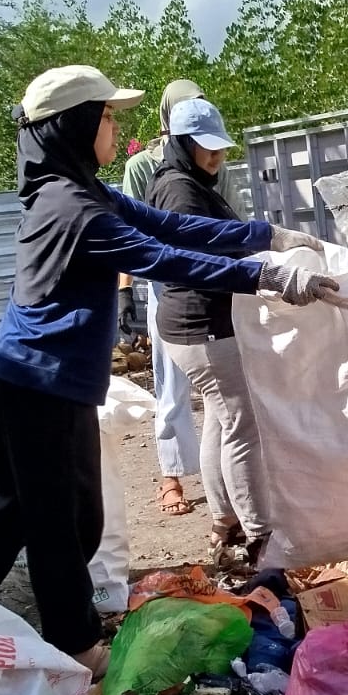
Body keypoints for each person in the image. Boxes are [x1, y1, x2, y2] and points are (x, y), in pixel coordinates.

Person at [0, 65, 338, 677]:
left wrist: (268, 235)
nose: (115, 126)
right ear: (73, 124)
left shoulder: (81, 187)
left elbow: (171, 226)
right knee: (57, 519)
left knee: (23, 509)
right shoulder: (71, 206)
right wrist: (268, 274)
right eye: (105, 116)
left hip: (51, 377)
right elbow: (163, 258)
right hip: (35, 381)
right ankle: (73, 643)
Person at [147, 97, 272, 561]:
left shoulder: (186, 182)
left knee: (220, 421)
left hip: (193, 325)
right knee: (243, 425)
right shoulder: (181, 190)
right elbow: (204, 258)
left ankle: (224, 521)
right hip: (201, 326)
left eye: (220, 148)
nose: (216, 157)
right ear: (182, 144)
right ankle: (260, 537)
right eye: (206, 148)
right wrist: (266, 271)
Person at [121, 80, 245, 517]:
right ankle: (172, 476)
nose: (215, 157)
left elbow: (231, 226)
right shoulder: (149, 170)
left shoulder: (213, 165)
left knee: (218, 406)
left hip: (216, 285)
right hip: (172, 288)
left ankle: (223, 511)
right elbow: (136, 235)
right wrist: (125, 291)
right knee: (173, 386)